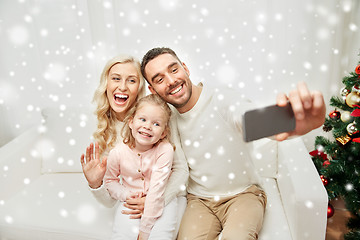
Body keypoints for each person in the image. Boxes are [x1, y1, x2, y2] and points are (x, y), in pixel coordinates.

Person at [140, 47, 326, 240]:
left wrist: (287, 122)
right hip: (199, 201)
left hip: (243, 195)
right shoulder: (166, 119)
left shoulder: (221, 98)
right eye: (159, 79)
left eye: (173, 69)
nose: (171, 81)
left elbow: (245, 117)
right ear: (153, 90)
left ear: (185, 68)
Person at [80, 55, 188, 239]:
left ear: (139, 87)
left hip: (167, 197)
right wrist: (95, 183)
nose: (122, 87)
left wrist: (154, 200)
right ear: (106, 84)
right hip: (133, 200)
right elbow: (110, 197)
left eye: (131, 80)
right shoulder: (102, 130)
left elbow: (181, 170)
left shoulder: (157, 116)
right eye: (116, 78)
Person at [104, 94, 176, 240]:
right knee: (122, 235)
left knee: (161, 236)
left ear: (163, 133)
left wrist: (144, 233)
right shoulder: (118, 152)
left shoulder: (165, 150)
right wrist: (126, 195)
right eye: (142, 119)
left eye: (156, 124)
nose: (147, 126)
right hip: (131, 202)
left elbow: (156, 192)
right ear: (131, 122)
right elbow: (110, 181)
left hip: (161, 199)